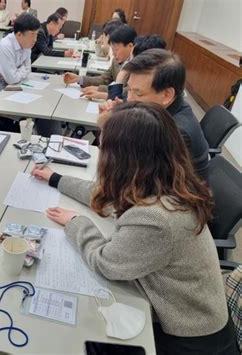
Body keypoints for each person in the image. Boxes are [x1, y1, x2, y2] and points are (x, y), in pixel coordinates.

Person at [32, 102, 239, 355]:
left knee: (79, 335)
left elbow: (105, 263)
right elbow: (106, 196)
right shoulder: (163, 178)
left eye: (104, 146)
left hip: (188, 340)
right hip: (180, 311)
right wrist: (56, 178)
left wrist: (77, 223)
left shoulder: (156, 218)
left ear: (123, 159)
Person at [123, 49, 209, 180]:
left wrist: (108, 124)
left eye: (138, 93)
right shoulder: (165, 109)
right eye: (129, 89)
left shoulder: (175, 133)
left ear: (167, 95)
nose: (129, 98)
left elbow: (135, 181)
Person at [63, 24, 136, 100]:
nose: (114, 54)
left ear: (130, 46)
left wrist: (99, 90)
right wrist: (79, 79)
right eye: (112, 50)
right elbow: (104, 79)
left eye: (116, 50)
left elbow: (127, 91)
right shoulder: (116, 60)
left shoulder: (138, 65)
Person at [0, 13, 40, 93]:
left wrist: (16, 72)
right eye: (32, 35)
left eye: (36, 35)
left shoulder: (27, 46)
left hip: (6, 90)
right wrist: (19, 71)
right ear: (19, 34)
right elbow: (12, 79)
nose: (35, 39)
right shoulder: (5, 46)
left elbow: (28, 69)